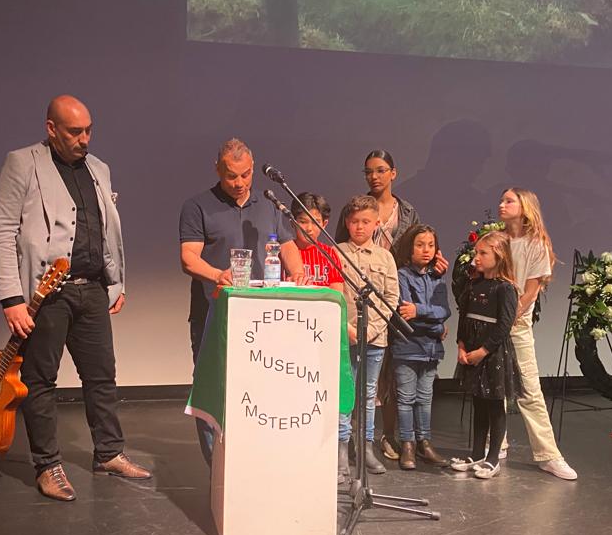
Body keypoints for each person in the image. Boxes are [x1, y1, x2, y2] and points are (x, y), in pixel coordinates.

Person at [0, 95, 151, 502]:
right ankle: (47, 465)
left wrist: (116, 281)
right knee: (39, 380)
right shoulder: (22, 163)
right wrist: (11, 298)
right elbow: (2, 230)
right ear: (51, 129)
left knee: (101, 375)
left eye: (88, 130)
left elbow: (106, 228)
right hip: (46, 293)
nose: (85, 139)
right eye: (75, 132)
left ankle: (109, 453)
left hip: (92, 287)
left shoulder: (98, 169)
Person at [179, 138, 306, 466]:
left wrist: (299, 270)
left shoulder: (269, 204)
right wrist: (218, 274)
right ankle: (217, 467)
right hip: (213, 310)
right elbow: (189, 259)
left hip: (264, 316)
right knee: (214, 388)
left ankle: (255, 461)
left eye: (246, 175)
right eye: (231, 176)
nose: (239, 183)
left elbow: (288, 245)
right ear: (217, 169)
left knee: (262, 386)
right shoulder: (198, 206)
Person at [336, 150, 449, 461]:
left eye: (381, 170)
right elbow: (338, 257)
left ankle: (387, 438)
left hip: (394, 297)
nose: (375, 176)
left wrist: (433, 268)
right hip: (363, 301)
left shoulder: (407, 211)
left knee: (389, 378)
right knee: (360, 382)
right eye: (369, 171)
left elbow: (419, 244)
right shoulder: (353, 210)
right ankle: (351, 444)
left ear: (393, 173)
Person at [498, 187, 578, 480]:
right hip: (494, 325)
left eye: (509, 200)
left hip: (516, 325)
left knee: (529, 390)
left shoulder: (536, 244)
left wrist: (507, 321)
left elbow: (529, 294)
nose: (502, 204)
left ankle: (548, 455)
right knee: (495, 388)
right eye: (502, 200)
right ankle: (497, 445)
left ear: (525, 206)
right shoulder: (498, 240)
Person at [338, 195, 399, 475]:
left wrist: (372, 329)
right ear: (347, 223)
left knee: (368, 394)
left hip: (375, 339)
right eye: (354, 222)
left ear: (376, 223)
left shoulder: (385, 257)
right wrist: (348, 328)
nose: (359, 227)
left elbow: (391, 297)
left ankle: (365, 448)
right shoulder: (337, 252)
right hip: (345, 336)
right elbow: (333, 295)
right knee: (345, 394)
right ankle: (341, 449)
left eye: (365, 222)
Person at [452, 231, 521, 479]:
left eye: (483, 253)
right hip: (471, 349)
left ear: (499, 256)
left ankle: (493, 458)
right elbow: (464, 316)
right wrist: (461, 345)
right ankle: (476, 452)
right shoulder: (473, 284)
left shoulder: (505, 289)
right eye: (476, 253)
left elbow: (504, 326)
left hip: (491, 354)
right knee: (478, 402)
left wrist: (482, 351)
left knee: (494, 404)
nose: (476, 258)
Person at [391, 224, 451, 470]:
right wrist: (435, 326)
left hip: (430, 349)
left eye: (430, 245)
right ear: (410, 248)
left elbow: (444, 311)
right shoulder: (402, 275)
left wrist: (421, 312)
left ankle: (424, 442)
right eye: (420, 245)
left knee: (425, 398)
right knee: (406, 398)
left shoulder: (437, 279)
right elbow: (405, 312)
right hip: (407, 346)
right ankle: (408, 444)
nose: (426, 250)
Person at [290, 192, 344, 293]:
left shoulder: (329, 254)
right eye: (303, 222)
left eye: (316, 222)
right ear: (293, 222)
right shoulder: (282, 252)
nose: (309, 228)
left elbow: (337, 293)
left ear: (324, 224)